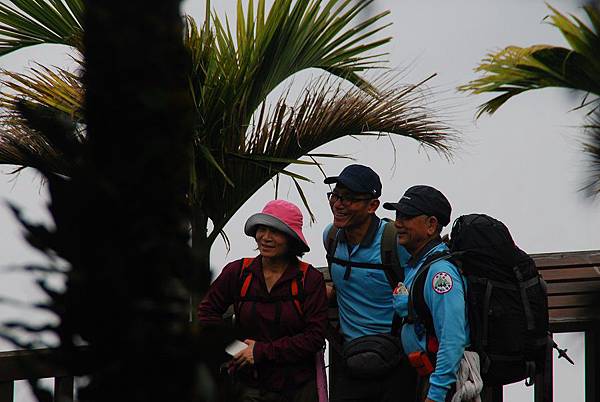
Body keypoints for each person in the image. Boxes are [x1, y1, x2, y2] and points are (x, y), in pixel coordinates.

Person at [197, 199, 328, 402]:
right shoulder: (238, 272)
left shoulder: (309, 279)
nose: (266, 237)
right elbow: (206, 313)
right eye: (262, 229)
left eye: (275, 231)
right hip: (248, 385)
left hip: (297, 388)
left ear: (292, 239)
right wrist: (237, 349)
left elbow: (315, 337)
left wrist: (260, 352)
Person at [322, 164, 415, 402]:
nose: (338, 204)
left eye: (350, 198)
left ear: (372, 205)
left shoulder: (394, 242)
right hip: (349, 357)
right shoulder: (331, 238)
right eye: (336, 195)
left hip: (396, 358)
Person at [382, 185, 469, 402]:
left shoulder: (440, 273)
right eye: (398, 215)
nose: (398, 223)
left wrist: (436, 395)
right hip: (422, 376)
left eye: (407, 216)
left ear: (431, 225)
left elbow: (452, 338)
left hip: (442, 387)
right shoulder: (418, 264)